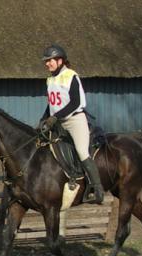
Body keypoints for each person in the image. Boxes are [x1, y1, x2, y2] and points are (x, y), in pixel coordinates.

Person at [39, 43, 104, 204]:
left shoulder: (71, 76)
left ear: (60, 61)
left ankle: (97, 189)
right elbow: (52, 104)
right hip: (58, 122)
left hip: (75, 120)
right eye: (46, 61)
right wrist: (43, 119)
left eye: (50, 60)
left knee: (82, 151)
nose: (47, 64)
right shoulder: (50, 79)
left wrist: (56, 116)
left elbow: (75, 102)